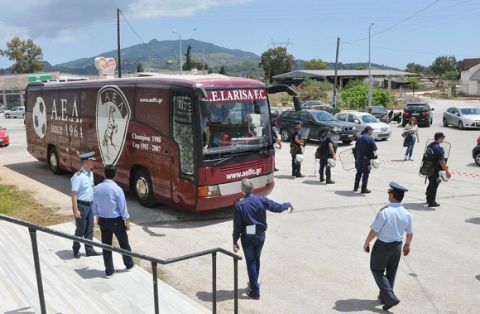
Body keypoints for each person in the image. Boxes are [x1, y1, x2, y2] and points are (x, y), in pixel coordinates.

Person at [232, 179, 293, 300]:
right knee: (256, 259)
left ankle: (255, 291)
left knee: (251, 262)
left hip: (248, 237)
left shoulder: (239, 205)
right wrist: (287, 205)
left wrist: (235, 240)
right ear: (252, 188)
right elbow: (277, 207)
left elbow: (237, 226)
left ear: (242, 190)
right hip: (260, 235)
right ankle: (254, 283)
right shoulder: (261, 199)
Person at [363, 182, 413, 311]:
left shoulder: (385, 211)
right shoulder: (407, 213)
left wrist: (367, 242)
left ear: (393, 196)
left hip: (382, 246)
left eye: (389, 192)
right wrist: (407, 245)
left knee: (377, 270)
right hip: (397, 246)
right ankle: (384, 297)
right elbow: (410, 233)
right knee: (391, 272)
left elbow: (374, 231)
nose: (389, 194)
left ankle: (390, 297)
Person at [92, 165, 134, 278]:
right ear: (115, 175)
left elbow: (94, 204)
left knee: (106, 245)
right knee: (124, 243)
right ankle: (129, 264)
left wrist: (97, 216)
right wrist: (127, 221)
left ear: (104, 174)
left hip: (103, 220)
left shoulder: (97, 188)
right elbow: (123, 207)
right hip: (116, 220)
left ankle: (109, 271)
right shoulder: (117, 189)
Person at [71, 151, 100, 258]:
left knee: (89, 228)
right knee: (80, 229)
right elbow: (73, 194)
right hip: (81, 206)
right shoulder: (78, 176)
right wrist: (76, 210)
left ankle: (89, 250)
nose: (94, 163)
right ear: (86, 162)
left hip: (90, 205)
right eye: (92, 161)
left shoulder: (90, 173)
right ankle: (76, 249)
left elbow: (92, 188)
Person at [425, 132, 451, 207]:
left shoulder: (430, 145)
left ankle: (428, 198)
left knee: (430, 184)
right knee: (434, 185)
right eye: (443, 137)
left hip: (428, 168)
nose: (443, 139)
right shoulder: (438, 148)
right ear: (439, 138)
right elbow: (442, 161)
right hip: (435, 170)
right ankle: (431, 202)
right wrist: (447, 172)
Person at [354, 126, 377, 193]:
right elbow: (374, 149)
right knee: (366, 174)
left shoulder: (358, 137)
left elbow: (355, 148)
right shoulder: (370, 138)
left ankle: (355, 187)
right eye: (371, 130)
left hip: (358, 159)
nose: (372, 132)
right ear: (369, 131)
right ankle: (364, 189)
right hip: (366, 159)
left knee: (358, 173)